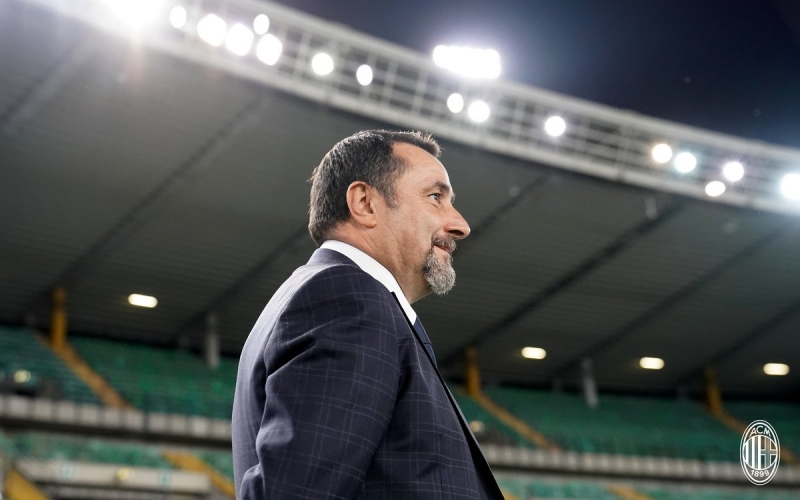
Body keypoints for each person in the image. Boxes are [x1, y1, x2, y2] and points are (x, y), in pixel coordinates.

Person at [232, 130, 503, 499]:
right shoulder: (349, 299)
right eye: (435, 197)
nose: (461, 225)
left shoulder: (331, 295)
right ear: (364, 203)